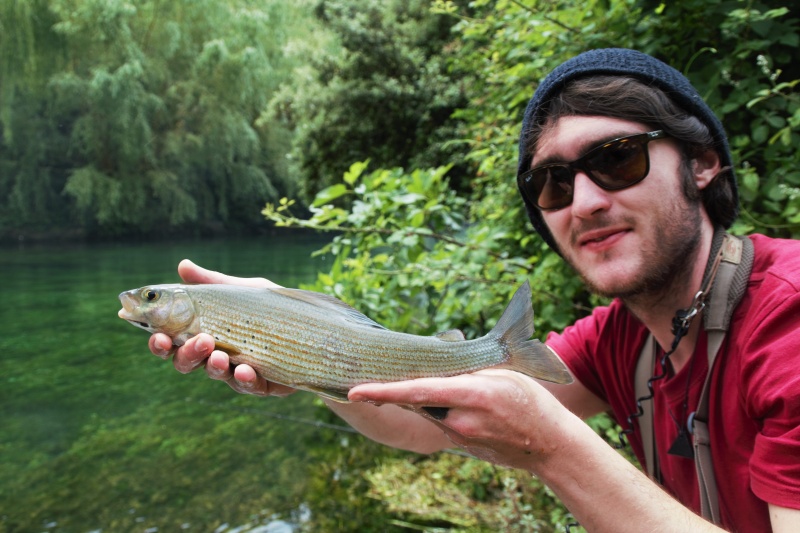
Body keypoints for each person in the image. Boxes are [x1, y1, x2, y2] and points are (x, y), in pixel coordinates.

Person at [148, 49, 800, 532]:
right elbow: (428, 429)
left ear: (703, 160)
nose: (586, 201)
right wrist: (306, 352)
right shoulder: (620, 339)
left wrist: (553, 447)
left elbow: (538, 434)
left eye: (618, 157)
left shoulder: (788, 320)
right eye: (552, 183)